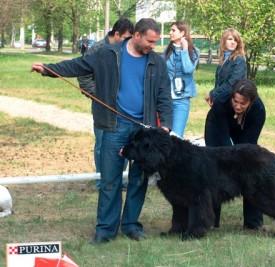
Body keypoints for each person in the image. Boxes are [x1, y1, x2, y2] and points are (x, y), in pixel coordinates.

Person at [31, 18, 172, 244]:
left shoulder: (157, 62)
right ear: (136, 35)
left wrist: (165, 123)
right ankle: (106, 230)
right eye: (150, 41)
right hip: (113, 126)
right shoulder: (108, 54)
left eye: (155, 42)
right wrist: (48, 69)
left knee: (138, 180)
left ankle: (131, 226)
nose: (152, 46)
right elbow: (78, 65)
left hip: (145, 130)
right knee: (110, 181)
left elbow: (164, 94)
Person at [78, 18, 134, 189]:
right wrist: (98, 94)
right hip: (103, 107)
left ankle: (119, 178)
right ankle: (102, 179)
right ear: (116, 34)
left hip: (123, 107)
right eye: (126, 38)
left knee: (122, 142)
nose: (128, 42)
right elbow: (83, 74)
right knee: (102, 144)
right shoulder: (97, 49)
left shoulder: (126, 50)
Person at [205, 79, 266, 230]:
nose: (238, 106)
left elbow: (247, 147)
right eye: (235, 101)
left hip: (244, 127)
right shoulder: (221, 102)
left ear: (251, 102)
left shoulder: (258, 110)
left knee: (250, 167)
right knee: (216, 168)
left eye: (243, 103)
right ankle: (211, 221)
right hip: (217, 124)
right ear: (232, 97)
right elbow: (225, 150)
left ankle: (253, 223)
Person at [164, 21, 199, 137]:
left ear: (182, 33)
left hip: (181, 100)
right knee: (164, 136)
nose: (170, 33)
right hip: (166, 99)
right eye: (170, 30)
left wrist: (184, 50)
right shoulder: (167, 51)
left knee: (176, 136)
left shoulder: (193, 52)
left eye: (173, 30)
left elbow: (188, 69)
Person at [205, 28, 246, 106]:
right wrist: (213, 98)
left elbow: (232, 84)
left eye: (235, 40)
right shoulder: (223, 59)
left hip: (233, 103)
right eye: (230, 39)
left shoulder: (239, 60)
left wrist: (212, 94)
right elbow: (219, 84)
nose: (233, 42)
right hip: (222, 100)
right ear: (223, 41)